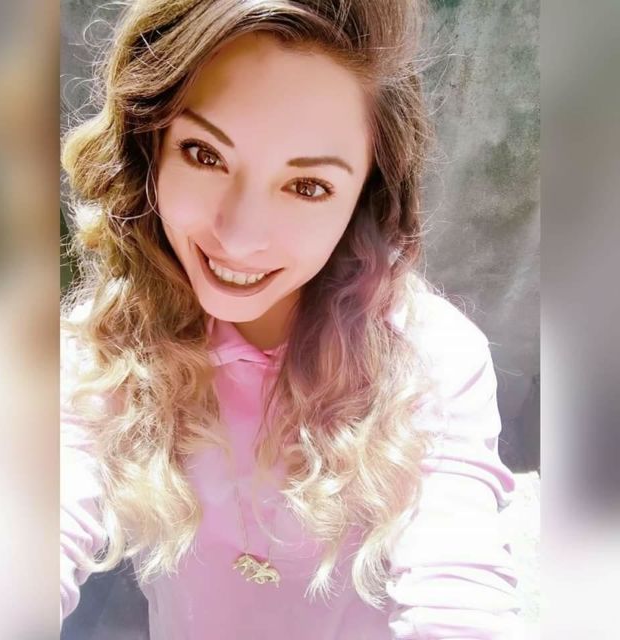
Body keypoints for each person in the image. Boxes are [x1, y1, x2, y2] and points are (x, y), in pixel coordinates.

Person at [60, 1, 522, 638]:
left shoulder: (429, 359)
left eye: (307, 186)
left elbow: (461, 593)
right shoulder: (107, 343)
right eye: (204, 153)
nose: (238, 237)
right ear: (150, 148)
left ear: (366, 196)